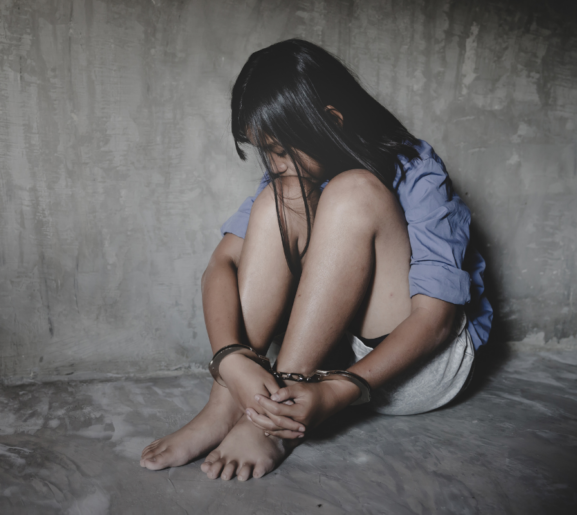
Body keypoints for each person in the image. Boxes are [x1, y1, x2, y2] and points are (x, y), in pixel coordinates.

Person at [140, 39, 492, 482]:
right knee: (279, 198)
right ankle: (225, 405)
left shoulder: (415, 168)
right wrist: (228, 360)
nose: (274, 164)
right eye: (265, 152)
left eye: (280, 150)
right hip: (334, 359)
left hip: (417, 368)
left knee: (354, 191)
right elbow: (221, 266)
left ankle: (275, 419)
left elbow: (436, 321)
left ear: (331, 121)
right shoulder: (292, 178)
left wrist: (335, 393)